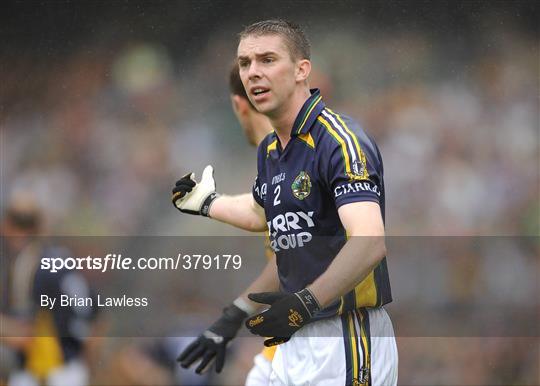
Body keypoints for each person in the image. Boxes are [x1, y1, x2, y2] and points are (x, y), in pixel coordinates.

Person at [172, 19, 397, 385]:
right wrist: (207, 203)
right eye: (245, 63)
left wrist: (306, 303)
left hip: (344, 335)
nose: (253, 73)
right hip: (293, 340)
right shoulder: (272, 150)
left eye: (267, 60)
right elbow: (259, 213)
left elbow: (370, 241)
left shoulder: (338, 140)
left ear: (301, 70)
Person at [176, 63, 277, 385]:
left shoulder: (292, 154)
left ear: (238, 105)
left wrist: (234, 315)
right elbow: (260, 211)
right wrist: (209, 203)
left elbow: (296, 256)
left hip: (331, 332)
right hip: (301, 334)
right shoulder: (277, 157)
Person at [0, 193, 99, 386]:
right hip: (73, 370)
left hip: (45, 373)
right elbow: (96, 319)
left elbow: (24, 335)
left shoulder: (28, 265)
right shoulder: (60, 259)